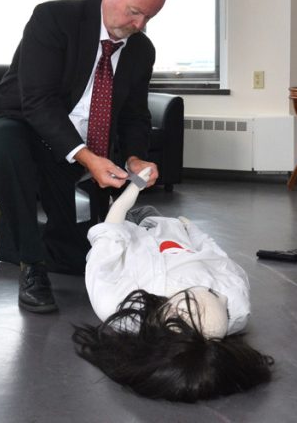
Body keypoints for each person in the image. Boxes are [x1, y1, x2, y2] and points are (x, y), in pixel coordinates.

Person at [0, 0, 168, 313]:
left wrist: (133, 157)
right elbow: (38, 102)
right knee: (8, 142)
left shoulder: (141, 50)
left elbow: (134, 115)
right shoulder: (54, 19)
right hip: (22, 124)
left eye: (149, 17)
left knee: (83, 255)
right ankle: (32, 268)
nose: (139, 24)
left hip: (76, 148)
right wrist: (87, 157)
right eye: (135, 12)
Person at [72, 168, 274, 402]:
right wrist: (193, 231)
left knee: (97, 204)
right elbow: (215, 256)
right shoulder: (234, 305)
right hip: (168, 228)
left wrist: (128, 195)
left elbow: (107, 241)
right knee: (150, 212)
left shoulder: (116, 306)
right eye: (213, 293)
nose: (221, 296)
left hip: (128, 231)